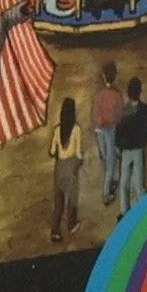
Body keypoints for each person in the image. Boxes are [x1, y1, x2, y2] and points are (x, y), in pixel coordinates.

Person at [47, 96, 84, 242]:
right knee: (72, 199)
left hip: (59, 168)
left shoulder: (57, 130)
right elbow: (79, 153)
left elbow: (51, 151)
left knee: (58, 202)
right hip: (71, 167)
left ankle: (55, 231)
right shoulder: (76, 129)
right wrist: (80, 161)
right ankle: (71, 225)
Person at [115, 76, 147, 209]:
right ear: (139, 92)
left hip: (126, 151)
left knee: (124, 183)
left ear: (128, 93)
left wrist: (118, 147)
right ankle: (144, 210)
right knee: (139, 184)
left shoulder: (123, 111)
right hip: (138, 149)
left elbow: (118, 132)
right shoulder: (145, 110)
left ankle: (124, 211)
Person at [91, 61, 123, 204]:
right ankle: (107, 190)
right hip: (110, 130)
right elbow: (119, 115)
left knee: (105, 158)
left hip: (100, 129)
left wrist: (100, 122)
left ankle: (108, 187)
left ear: (103, 76)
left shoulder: (98, 95)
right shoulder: (117, 96)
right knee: (110, 160)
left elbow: (95, 115)